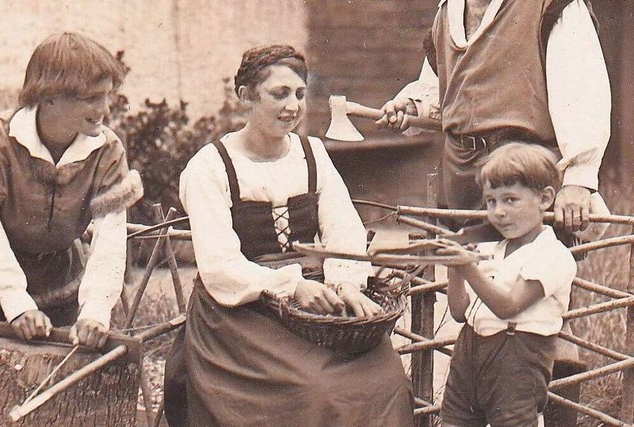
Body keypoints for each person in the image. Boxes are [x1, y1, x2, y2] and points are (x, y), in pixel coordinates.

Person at [163, 45, 414, 427]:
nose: (293, 106)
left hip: (319, 297)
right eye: (279, 94)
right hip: (243, 311)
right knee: (314, 392)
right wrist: (292, 287)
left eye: (299, 94)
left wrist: (346, 285)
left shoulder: (311, 153)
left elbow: (344, 229)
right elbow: (219, 266)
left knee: (389, 382)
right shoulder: (210, 166)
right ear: (245, 95)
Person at [377, 0, 610, 236]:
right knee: (464, 268)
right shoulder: (448, 11)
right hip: (460, 180)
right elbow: (442, 89)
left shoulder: (550, 5)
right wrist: (413, 107)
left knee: (528, 268)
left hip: (523, 180)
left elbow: (582, 93)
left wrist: (578, 180)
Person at [0, 32, 143, 349]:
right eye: (91, 98)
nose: (104, 108)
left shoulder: (107, 149)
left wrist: (96, 312)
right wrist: (16, 303)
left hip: (63, 285)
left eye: (107, 95)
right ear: (48, 97)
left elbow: (111, 236)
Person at [435, 142, 577, 426]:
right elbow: (460, 312)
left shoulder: (552, 254)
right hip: (470, 353)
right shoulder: (494, 249)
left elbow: (508, 307)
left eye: (510, 200)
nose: (498, 212)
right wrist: (455, 269)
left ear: (545, 199)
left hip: (517, 360)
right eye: (491, 201)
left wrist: (467, 266)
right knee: (455, 421)